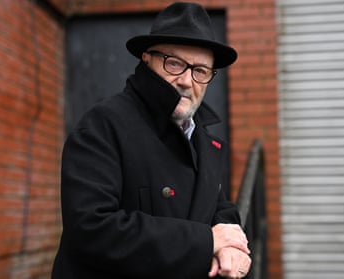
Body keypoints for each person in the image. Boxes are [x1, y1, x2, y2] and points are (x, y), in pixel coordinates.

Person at [52, 2, 251, 278]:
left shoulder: (205, 141)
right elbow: (91, 228)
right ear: (146, 60)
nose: (185, 80)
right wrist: (207, 241)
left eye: (201, 71)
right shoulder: (103, 125)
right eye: (174, 63)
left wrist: (230, 247)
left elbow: (220, 208)